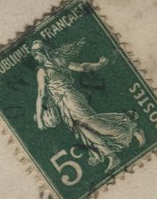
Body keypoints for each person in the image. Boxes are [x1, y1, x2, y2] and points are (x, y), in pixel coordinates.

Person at [31, 39, 145, 175]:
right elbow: (82, 67)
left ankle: (130, 127)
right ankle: (111, 156)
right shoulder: (58, 61)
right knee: (84, 129)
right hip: (66, 102)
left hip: (70, 98)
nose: (35, 58)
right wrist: (99, 64)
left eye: (36, 55)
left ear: (42, 53)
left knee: (88, 123)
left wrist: (39, 119)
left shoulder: (42, 71)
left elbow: (41, 94)